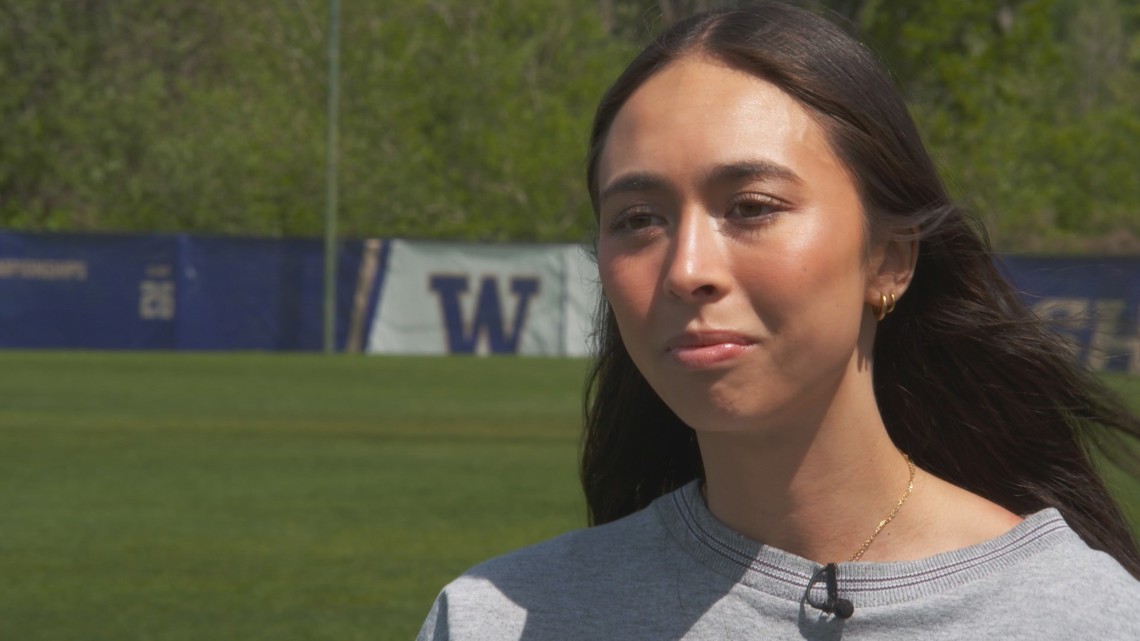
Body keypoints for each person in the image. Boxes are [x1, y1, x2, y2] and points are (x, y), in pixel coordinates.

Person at [417, 2, 1140, 639]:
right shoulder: (496, 620)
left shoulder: (1084, 615)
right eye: (638, 219)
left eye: (752, 206)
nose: (686, 267)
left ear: (888, 259)